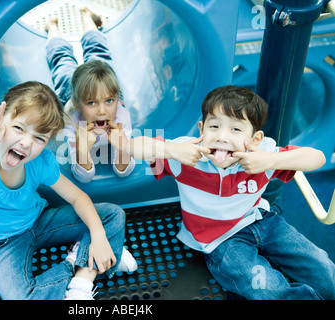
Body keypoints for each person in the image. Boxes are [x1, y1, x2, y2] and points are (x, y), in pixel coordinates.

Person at [112, 85, 335, 299]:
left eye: (236, 129)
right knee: (268, 290)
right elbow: (131, 146)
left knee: (325, 273)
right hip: (220, 240)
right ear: (201, 129)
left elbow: (318, 157)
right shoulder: (185, 155)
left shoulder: (262, 154)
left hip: (262, 222)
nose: (222, 137)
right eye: (214, 127)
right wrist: (172, 150)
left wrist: (269, 160)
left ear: (254, 139)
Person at [0, 81, 136, 300]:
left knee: (112, 215)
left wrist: (99, 236)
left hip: (39, 222)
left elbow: (78, 197)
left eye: (39, 138)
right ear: (0, 118)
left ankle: (83, 280)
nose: (25, 143)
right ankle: (76, 262)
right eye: (18, 128)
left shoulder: (39, 161)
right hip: (2, 244)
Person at [45, 7, 135, 183]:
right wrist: (82, 150)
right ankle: (52, 26)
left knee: (98, 52)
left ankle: (87, 15)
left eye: (110, 101)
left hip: (97, 85)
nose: (102, 111)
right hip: (68, 91)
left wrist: (123, 148)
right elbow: (84, 177)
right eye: (91, 104)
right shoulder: (71, 122)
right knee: (62, 60)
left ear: (116, 99)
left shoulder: (121, 116)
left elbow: (124, 171)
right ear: (79, 105)